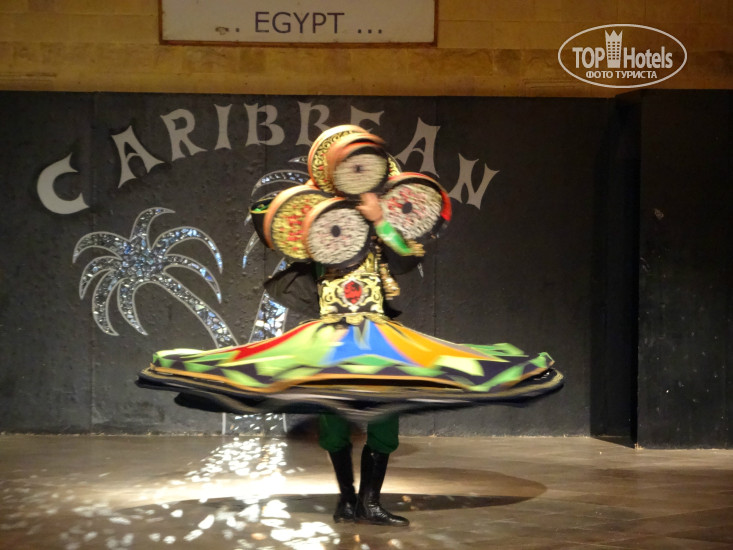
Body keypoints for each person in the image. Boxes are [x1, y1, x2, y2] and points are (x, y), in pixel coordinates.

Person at [138, 126, 562, 528]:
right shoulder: (320, 218)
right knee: (333, 416)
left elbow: (408, 251)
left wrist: (379, 219)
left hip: (378, 334)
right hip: (331, 334)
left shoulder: (381, 228)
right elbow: (281, 229)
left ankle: (370, 502)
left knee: (386, 412)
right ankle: (346, 499)